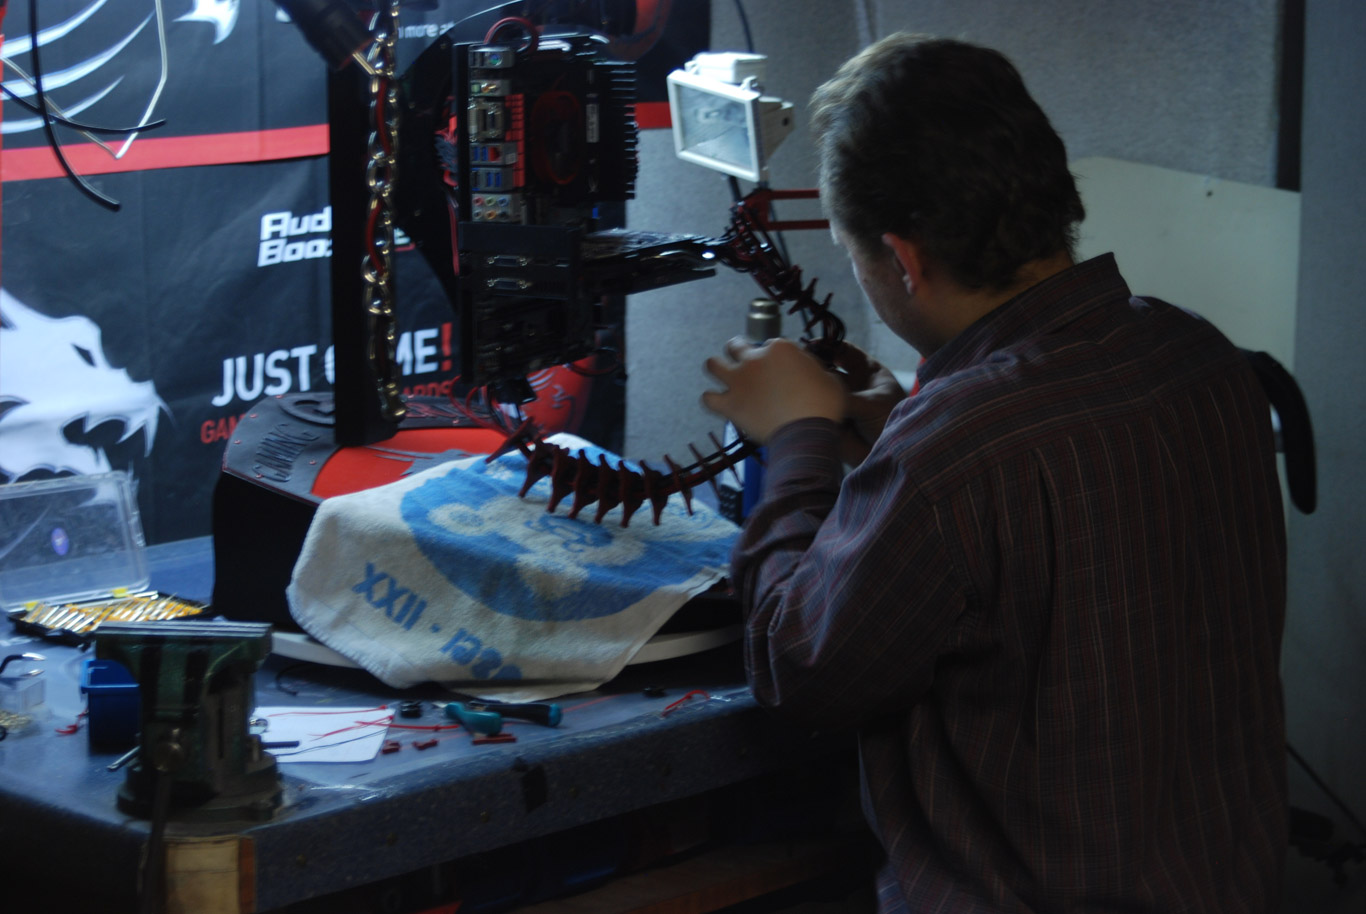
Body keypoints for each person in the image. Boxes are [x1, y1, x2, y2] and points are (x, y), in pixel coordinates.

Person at [701, 34, 1288, 912]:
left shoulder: (956, 454)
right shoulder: (1201, 356)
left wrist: (796, 437)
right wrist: (897, 425)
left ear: (903, 259)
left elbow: (799, 669)